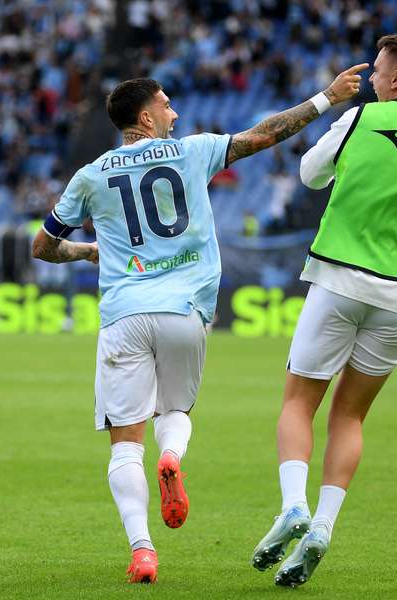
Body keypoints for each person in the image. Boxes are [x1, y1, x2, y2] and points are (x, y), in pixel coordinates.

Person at [33, 67, 366, 583]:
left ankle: (142, 549)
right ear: (146, 117)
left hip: (123, 314)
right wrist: (326, 98)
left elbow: (43, 246)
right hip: (184, 312)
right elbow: (267, 133)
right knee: (176, 410)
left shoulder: (91, 175)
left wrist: (85, 251)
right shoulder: (193, 151)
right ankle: (172, 455)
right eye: (167, 105)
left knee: (124, 443)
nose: (175, 113)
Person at [250, 34, 397, 588]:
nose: (371, 78)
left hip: (336, 279)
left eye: (378, 70)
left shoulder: (358, 122)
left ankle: (292, 507)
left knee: (298, 402)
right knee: (351, 416)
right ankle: (325, 525)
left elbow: (309, 174)